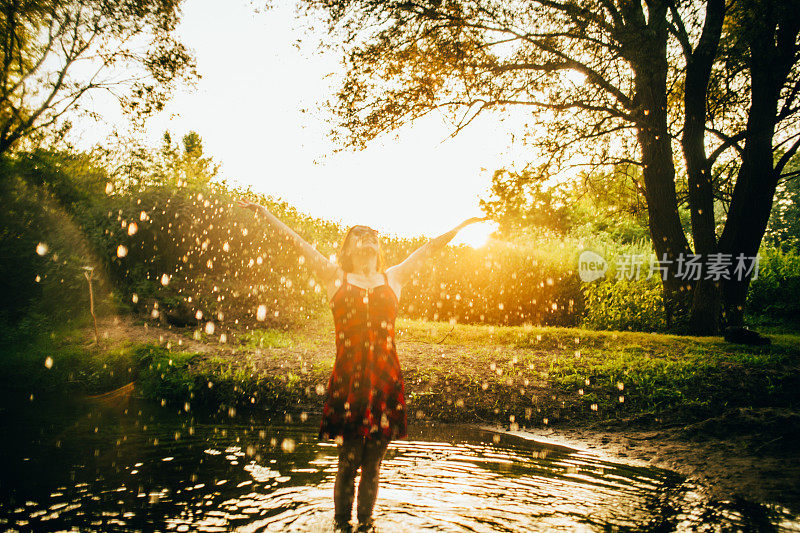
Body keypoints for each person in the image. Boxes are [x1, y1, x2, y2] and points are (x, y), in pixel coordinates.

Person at [237, 198, 484, 531]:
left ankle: (366, 525)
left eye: (373, 234)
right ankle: (341, 526)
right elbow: (297, 241)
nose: (369, 237)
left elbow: (428, 250)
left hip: (384, 378)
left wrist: (461, 226)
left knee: (373, 464)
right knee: (348, 460)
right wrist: (266, 214)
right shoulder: (335, 277)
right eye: (360, 234)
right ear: (349, 247)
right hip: (350, 379)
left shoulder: (392, 278)